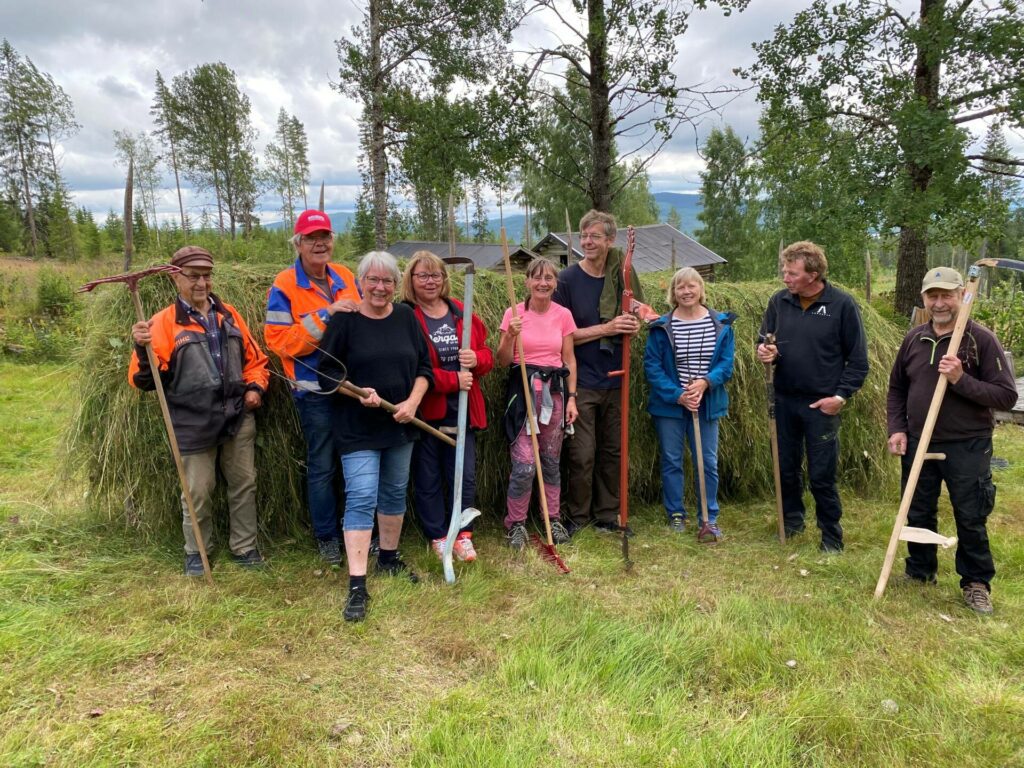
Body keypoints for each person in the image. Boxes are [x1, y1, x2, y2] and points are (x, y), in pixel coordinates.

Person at [129, 245, 270, 576]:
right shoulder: (162, 325)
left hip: (236, 416)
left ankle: (244, 547)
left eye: (206, 276)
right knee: (198, 491)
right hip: (192, 422)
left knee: (244, 484)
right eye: (193, 277)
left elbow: (256, 361)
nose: (202, 283)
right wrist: (140, 346)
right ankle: (197, 551)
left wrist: (254, 388)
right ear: (176, 278)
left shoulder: (229, 315)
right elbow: (145, 381)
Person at [886, 267, 1017, 614]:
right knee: (917, 509)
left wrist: (961, 378)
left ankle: (975, 582)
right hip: (918, 440)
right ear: (924, 298)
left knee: (971, 513)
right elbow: (897, 388)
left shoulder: (979, 340)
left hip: (967, 443)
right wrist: (897, 428)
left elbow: (1005, 396)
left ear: (961, 295)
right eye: (933, 295)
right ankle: (919, 571)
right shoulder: (914, 339)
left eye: (947, 295)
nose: (940, 303)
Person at [317, 251, 432, 622]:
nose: (380, 287)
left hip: (400, 424)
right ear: (360, 282)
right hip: (357, 428)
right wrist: (356, 392)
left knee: (394, 492)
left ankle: (388, 557)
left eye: (387, 281)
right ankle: (356, 584)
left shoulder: (406, 317)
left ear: (395, 284)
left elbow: (424, 368)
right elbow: (326, 376)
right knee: (362, 495)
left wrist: (413, 403)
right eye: (373, 280)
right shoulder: (345, 323)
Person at [756, 241, 868, 552]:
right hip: (783, 400)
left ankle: (831, 536)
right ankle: (791, 522)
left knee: (822, 475)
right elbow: (764, 342)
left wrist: (840, 397)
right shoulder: (779, 302)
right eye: (784, 271)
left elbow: (858, 361)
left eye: (792, 273)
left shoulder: (841, 305)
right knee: (786, 467)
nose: (785, 278)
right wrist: (767, 352)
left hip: (821, 405)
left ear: (813, 274)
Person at [265, 210, 361, 567]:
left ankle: (358, 529)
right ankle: (326, 537)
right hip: (316, 393)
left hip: (351, 388)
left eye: (325, 236)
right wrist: (327, 314)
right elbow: (279, 342)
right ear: (298, 243)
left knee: (356, 464)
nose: (320, 243)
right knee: (322, 466)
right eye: (311, 238)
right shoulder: (285, 284)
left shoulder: (347, 277)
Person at [553, 210, 644, 537]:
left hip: (615, 378)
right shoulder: (566, 281)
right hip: (582, 382)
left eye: (595, 236)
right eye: (584, 236)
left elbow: (642, 312)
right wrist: (607, 327)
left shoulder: (623, 275)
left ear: (610, 240)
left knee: (613, 451)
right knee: (582, 453)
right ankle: (577, 516)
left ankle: (608, 515)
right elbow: (561, 334)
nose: (588, 242)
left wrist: (637, 320)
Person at [401, 251, 494, 562]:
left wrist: (476, 359)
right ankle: (438, 535)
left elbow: (487, 356)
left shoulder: (461, 313)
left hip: (465, 410)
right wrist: (453, 379)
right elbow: (411, 368)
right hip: (429, 410)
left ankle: (463, 533)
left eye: (436, 275)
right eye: (423, 276)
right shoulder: (406, 318)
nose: (430, 281)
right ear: (410, 281)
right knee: (427, 476)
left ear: (444, 279)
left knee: (463, 475)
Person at [644, 267, 735, 536]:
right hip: (670, 405)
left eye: (691, 286)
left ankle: (709, 516)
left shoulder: (720, 324)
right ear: (673, 292)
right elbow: (653, 367)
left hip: (706, 402)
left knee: (707, 461)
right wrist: (678, 395)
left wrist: (706, 382)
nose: (686, 291)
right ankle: (675, 514)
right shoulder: (662, 326)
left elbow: (726, 364)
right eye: (680, 287)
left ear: (701, 289)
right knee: (672, 460)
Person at [498, 258, 578, 550]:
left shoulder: (563, 315)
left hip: (554, 395)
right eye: (537, 278)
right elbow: (503, 360)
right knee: (524, 466)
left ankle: (552, 518)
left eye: (549, 278)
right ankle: (515, 523)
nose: (543, 283)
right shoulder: (513, 313)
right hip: (523, 395)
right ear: (527, 281)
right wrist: (511, 335)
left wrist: (571, 398)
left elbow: (569, 359)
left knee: (550, 462)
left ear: (556, 283)